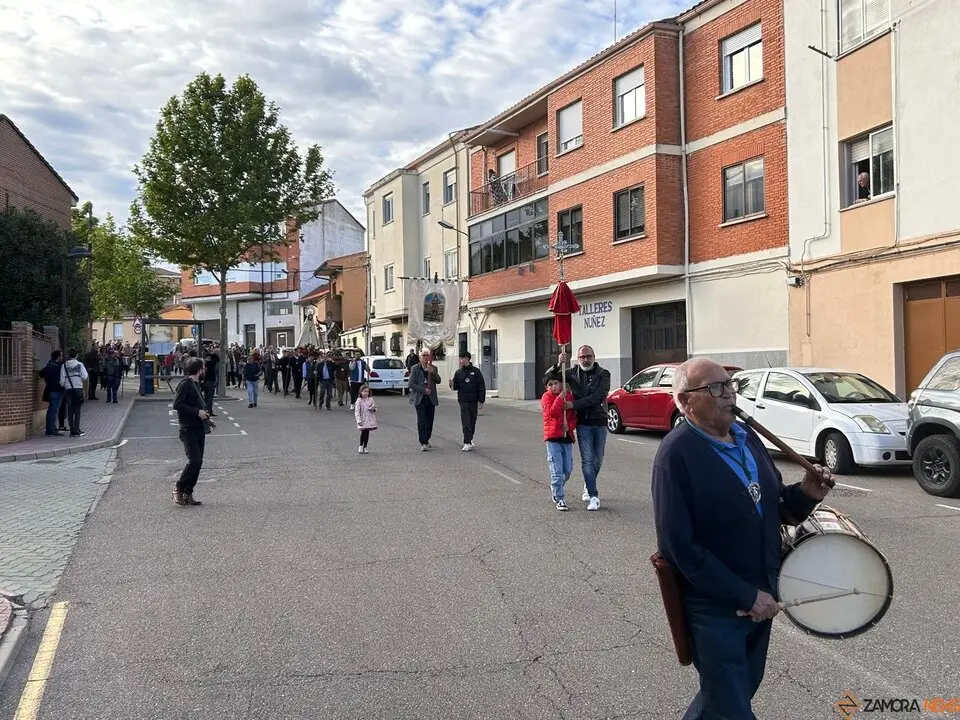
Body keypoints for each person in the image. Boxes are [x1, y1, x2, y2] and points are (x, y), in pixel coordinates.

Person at [651, 358, 834, 719]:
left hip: (764, 592)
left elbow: (774, 509)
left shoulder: (748, 439)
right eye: (715, 388)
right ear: (686, 403)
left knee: (728, 697)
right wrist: (745, 595)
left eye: (730, 385)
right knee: (731, 707)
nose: (727, 394)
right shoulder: (676, 455)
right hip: (716, 607)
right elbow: (679, 548)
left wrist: (808, 493)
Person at [549, 345, 610, 511]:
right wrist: (557, 364)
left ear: (594, 357)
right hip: (583, 424)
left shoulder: (603, 374)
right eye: (582, 357)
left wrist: (573, 404)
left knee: (597, 461)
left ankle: (588, 482)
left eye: (588, 356)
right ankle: (593, 494)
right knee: (587, 461)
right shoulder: (572, 373)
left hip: (600, 422)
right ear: (577, 358)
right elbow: (548, 379)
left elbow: (596, 398)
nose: (585, 359)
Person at [172, 357, 213, 506]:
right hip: (188, 428)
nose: (205, 370)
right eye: (203, 367)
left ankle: (188, 492)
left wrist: (207, 418)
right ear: (199, 370)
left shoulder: (195, 384)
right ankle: (178, 488)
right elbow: (177, 404)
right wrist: (197, 413)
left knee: (198, 462)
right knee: (194, 461)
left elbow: (198, 404)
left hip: (198, 427)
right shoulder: (185, 384)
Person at [541, 370, 577, 511]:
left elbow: (573, 416)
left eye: (556, 383)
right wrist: (559, 399)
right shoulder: (546, 398)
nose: (554, 387)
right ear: (547, 387)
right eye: (550, 385)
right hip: (553, 438)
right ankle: (559, 497)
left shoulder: (568, 396)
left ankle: (556, 485)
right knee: (556, 470)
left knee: (567, 470)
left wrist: (570, 427)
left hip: (566, 438)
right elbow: (553, 413)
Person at [450, 350, 485, 451]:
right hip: (463, 400)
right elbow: (455, 386)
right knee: (465, 421)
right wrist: (451, 384)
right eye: (460, 358)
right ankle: (466, 442)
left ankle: (470, 438)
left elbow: (481, 386)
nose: (461, 361)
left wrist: (481, 400)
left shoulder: (476, 371)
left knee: (472, 421)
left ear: (468, 359)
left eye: (463, 358)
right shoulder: (458, 372)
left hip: (473, 400)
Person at [409, 348, 441, 451]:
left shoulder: (433, 368)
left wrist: (432, 373)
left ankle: (427, 438)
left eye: (427, 355)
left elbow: (438, 380)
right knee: (422, 420)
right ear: (420, 357)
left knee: (429, 421)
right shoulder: (415, 368)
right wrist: (423, 390)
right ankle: (423, 442)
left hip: (431, 398)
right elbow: (411, 384)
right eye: (423, 356)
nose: (426, 357)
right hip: (420, 398)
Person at [59, 349, 88, 437]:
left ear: (69, 355)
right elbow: (85, 376)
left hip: (68, 389)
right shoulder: (80, 364)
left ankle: (72, 430)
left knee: (70, 409)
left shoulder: (64, 366)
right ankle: (77, 429)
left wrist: (66, 384)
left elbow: (62, 380)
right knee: (77, 409)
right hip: (78, 388)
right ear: (77, 355)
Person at [38, 350, 64, 437]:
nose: (62, 357)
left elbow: (41, 374)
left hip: (50, 390)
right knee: (53, 411)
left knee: (51, 410)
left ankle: (51, 427)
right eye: (61, 356)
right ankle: (50, 430)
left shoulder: (49, 365)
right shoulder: (57, 367)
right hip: (57, 391)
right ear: (58, 357)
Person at [354, 384, 377, 454]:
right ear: (361, 392)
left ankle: (365, 447)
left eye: (367, 391)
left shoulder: (371, 399)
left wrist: (373, 409)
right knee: (363, 432)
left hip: (369, 418)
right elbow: (357, 411)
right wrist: (358, 420)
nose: (366, 393)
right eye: (364, 391)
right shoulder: (359, 400)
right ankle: (360, 445)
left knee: (367, 433)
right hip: (362, 419)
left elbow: (374, 407)